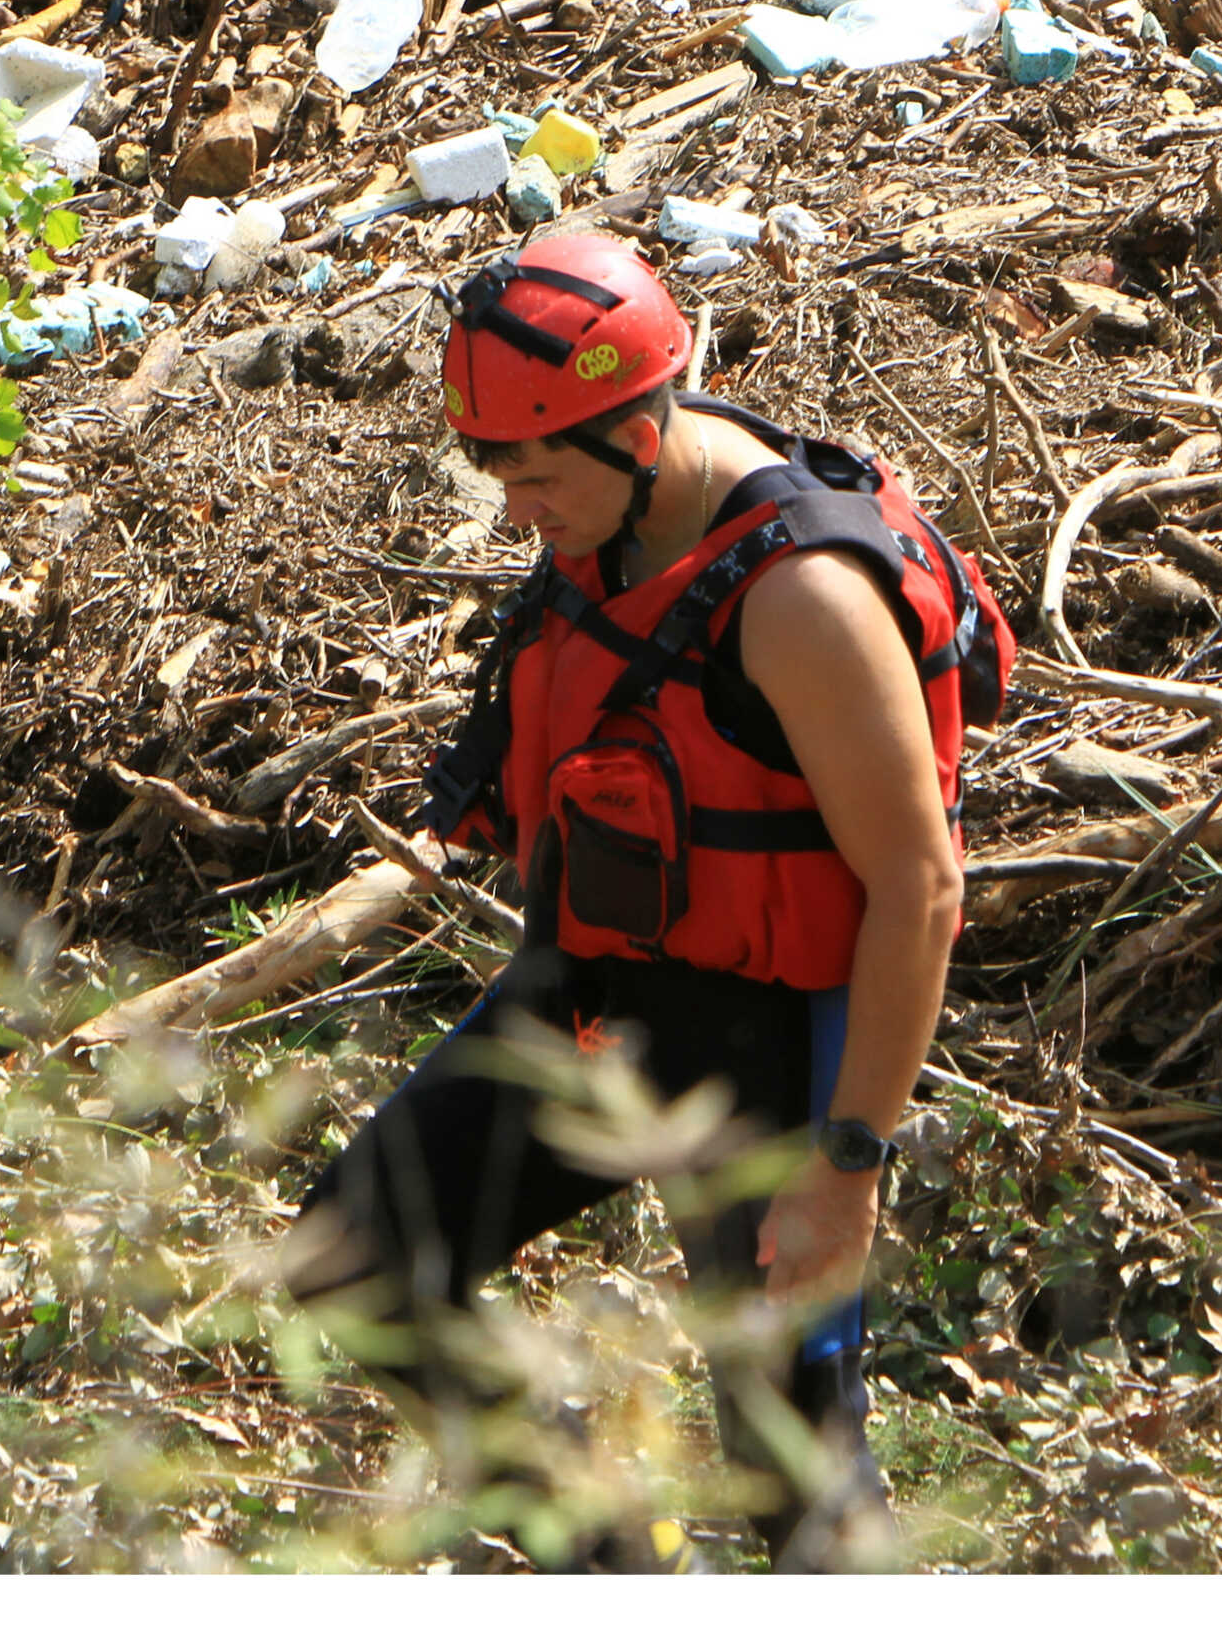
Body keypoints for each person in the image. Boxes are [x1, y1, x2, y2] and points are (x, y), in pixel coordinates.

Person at [279, 234, 1005, 1572]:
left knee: (793, 1458)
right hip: (605, 986)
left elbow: (921, 886)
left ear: (641, 426)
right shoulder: (613, 499)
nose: (517, 513)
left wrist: (848, 1172)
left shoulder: (803, 600)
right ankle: (612, 1553)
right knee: (352, 1254)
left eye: (539, 474)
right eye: (496, 470)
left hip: (776, 1044)